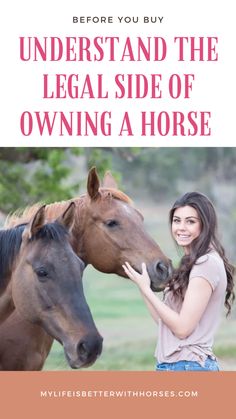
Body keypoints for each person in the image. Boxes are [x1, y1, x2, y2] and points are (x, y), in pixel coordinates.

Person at [123, 192, 235, 371]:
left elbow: (182, 329)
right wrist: (143, 288)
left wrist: (146, 290)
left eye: (190, 221)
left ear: (204, 225)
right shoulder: (193, 262)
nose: (181, 228)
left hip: (189, 366)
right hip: (178, 365)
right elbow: (163, 322)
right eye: (177, 221)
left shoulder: (205, 263)